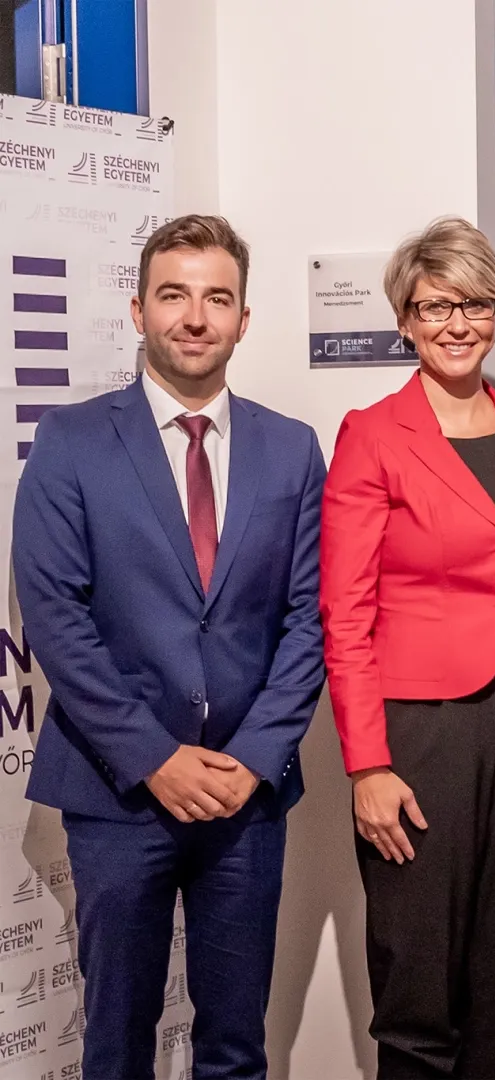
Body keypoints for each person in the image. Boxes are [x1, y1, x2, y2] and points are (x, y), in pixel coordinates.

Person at [14, 214, 326, 1079]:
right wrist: (155, 757)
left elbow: (311, 618)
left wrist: (254, 756)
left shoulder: (292, 449)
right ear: (139, 309)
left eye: (216, 298)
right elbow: (56, 619)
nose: (196, 316)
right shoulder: (71, 441)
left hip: (245, 799)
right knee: (117, 1044)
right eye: (175, 295)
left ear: (243, 318)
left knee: (236, 1045)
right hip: (118, 796)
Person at [320, 216, 495, 1078]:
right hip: (417, 736)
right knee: (419, 980)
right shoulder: (372, 433)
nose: (457, 323)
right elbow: (345, 613)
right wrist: (367, 766)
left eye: (474, 302)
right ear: (404, 319)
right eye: (435, 306)